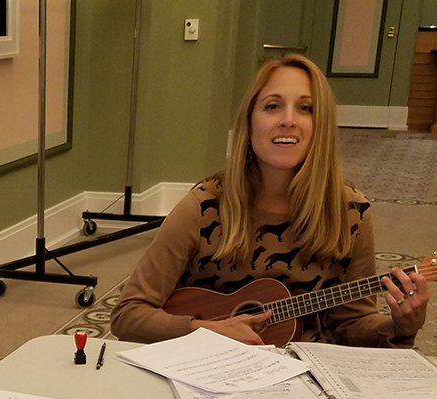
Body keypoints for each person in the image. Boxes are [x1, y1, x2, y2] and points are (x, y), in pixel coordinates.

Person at [110, 54, 429, 347]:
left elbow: (351, 323)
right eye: (272, 106)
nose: (288, 120)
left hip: (306, 371)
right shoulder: (203, 207)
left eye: (306, 108)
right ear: (250, 123)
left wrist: (400, 327)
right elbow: (127, 315)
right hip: (208, 366)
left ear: (320, 126)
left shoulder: (350, 212)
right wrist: (205, 329)